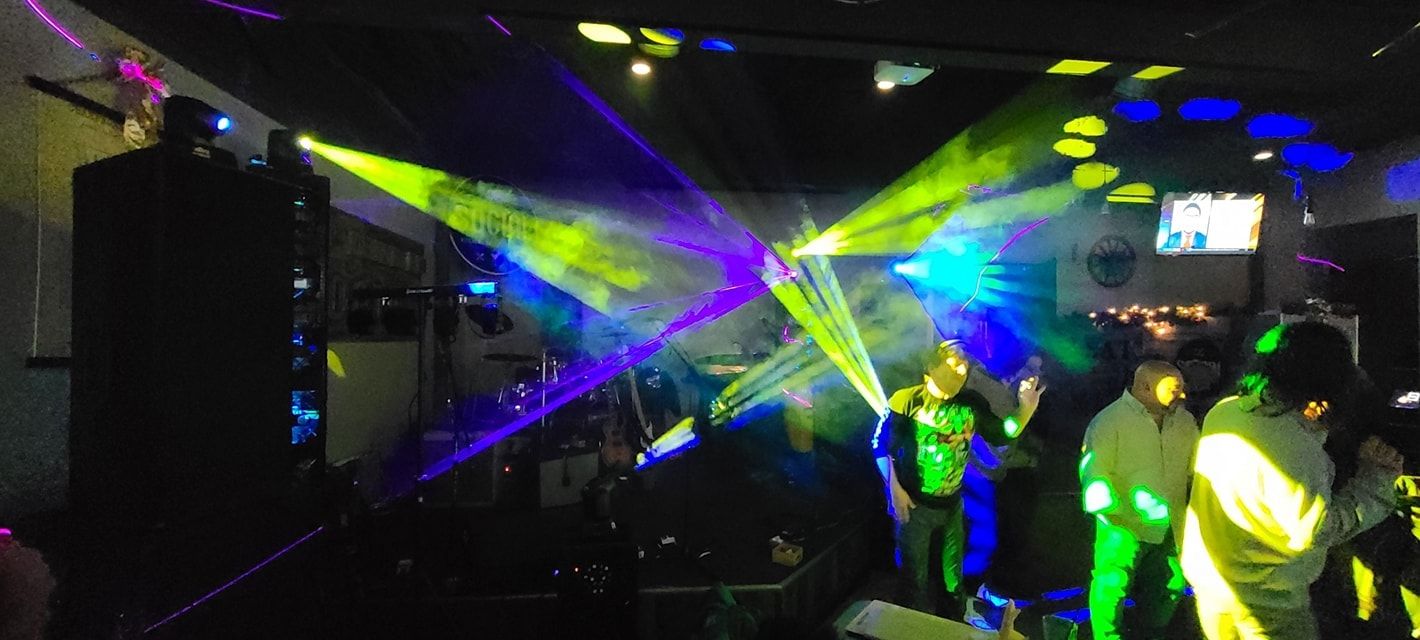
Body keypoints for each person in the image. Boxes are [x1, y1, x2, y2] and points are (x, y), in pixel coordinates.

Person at [1182, 322, 1404, 640]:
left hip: (1211, 582)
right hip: (1267, 600)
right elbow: (1316, 528)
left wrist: (1314, 427)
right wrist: (1376, 480)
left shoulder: (1225, 412)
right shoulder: (1293, 443)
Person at [872, 340, 1045, 617]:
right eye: (953, 365)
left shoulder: (970, 403)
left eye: (964, 368)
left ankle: (953, 623)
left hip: (952, 505)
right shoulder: (906, 400)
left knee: (954, 580)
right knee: (913, 579)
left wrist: (1025, 408)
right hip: (915, 506)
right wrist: (894, 488)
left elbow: (1003, 433)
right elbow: (881, 446)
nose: (960, 372)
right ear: (931, 366)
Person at [1079, 361, 1199, 639]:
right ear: (1146, 387)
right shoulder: (1110, 420)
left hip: (1171, 524)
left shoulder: (1184, 422)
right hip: (1123, 524)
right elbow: (1095, 468)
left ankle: (1152, 633)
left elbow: (1194, 467)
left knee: (1170, 585)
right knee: (1113, 585)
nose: (1181, 395)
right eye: (1174, 389)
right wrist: (1109, 514)